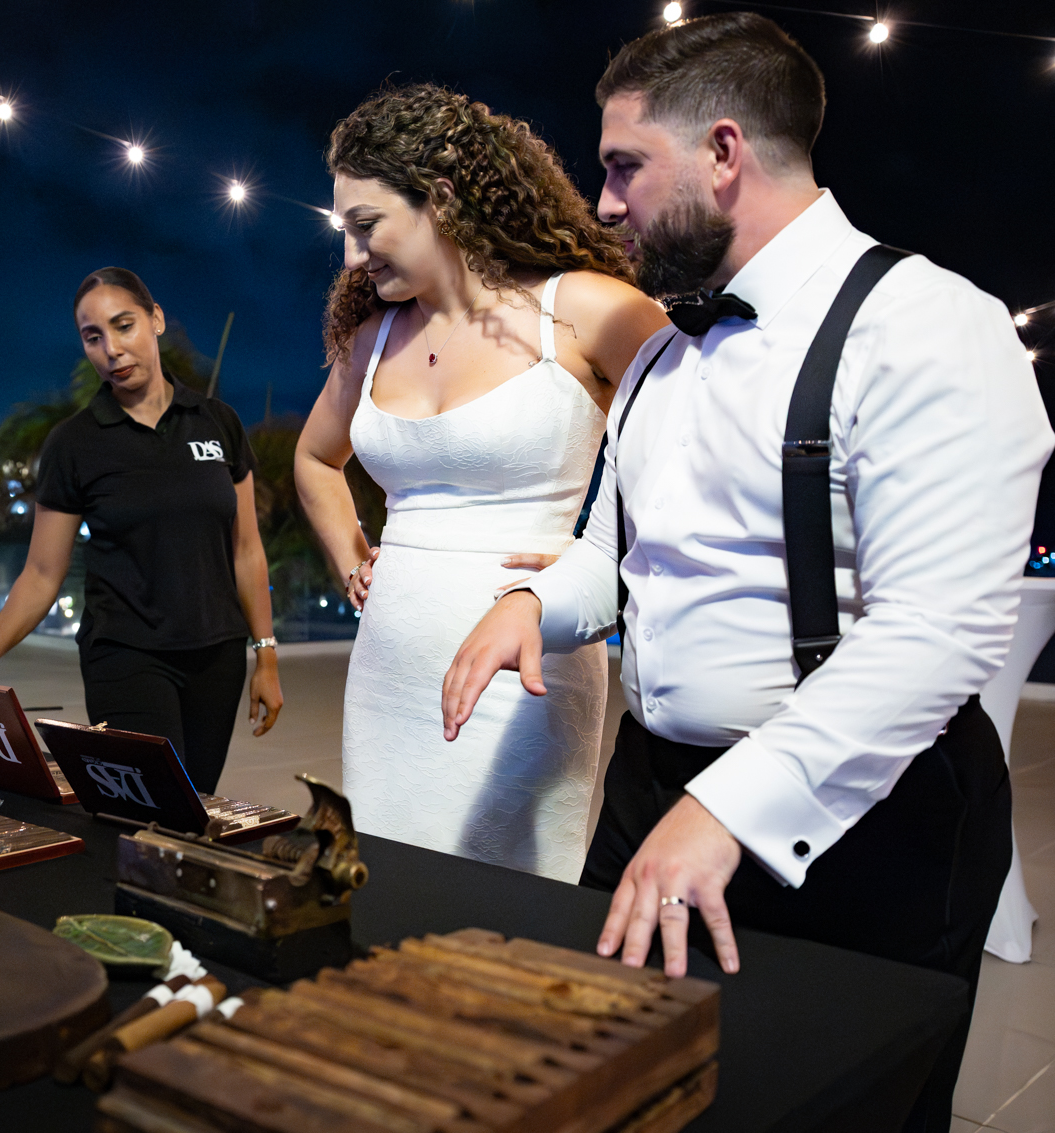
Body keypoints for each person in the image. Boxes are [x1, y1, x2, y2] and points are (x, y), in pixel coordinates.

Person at [442, 15, 1051, 1130]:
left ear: (722, 153)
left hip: (868, 819)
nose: (605, 203)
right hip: (649, 789)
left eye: (624, 165)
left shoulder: (926, 325)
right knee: (615, 1091)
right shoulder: (657, 356)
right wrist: (536, 602)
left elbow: (936, 631)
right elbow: (614, 554)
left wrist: (726, 806)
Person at [294, 84, 669, 880]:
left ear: (441, 198)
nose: (353, 256)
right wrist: (351, 555)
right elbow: (315, 460)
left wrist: (608, 565)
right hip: (387, 675)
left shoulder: (585, 310)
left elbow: (701, 456)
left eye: (367, 225)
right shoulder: (372, 339)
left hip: (525, 678)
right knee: (388, 894)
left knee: (506, 908)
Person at [0, 267, 281, 795]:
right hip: (125, 655)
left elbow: (247, 550)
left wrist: (266, 656)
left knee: (195, 805)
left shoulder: (217, 423)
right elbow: (42, 572)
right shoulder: (75, 443)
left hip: (217, 658)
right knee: (155, 802)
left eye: (124, 325)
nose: (111, 349)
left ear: (155, 319)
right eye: (93, 337)